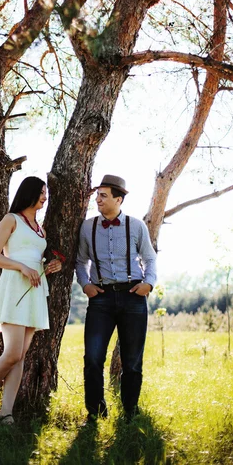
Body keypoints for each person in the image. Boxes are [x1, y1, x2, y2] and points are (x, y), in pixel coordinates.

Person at [0, 176, 62, 425]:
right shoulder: (10, 220)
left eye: (46, 193)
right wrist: (21, 267)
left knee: (20, 356)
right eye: (42, 192)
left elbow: (36, 257)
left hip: (34, 290)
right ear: (30, 193)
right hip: (14, 288)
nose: (45, 197)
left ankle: (5, 412)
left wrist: (50, 266)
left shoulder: (40, 228)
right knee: (11, 354)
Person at [75, 174, 157, 423]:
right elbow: (81, 261)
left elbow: (150, 258)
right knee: (92, 358)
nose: (97, 199)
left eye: (103, 195)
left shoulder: (136, 226)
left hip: (133, 296)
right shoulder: (87, 226)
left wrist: (148, 284)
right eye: (97, 195)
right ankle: (96, 412)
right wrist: (85, 285)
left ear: (118, 199)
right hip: (101, 298)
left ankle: (129, 412)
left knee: (132, 361)